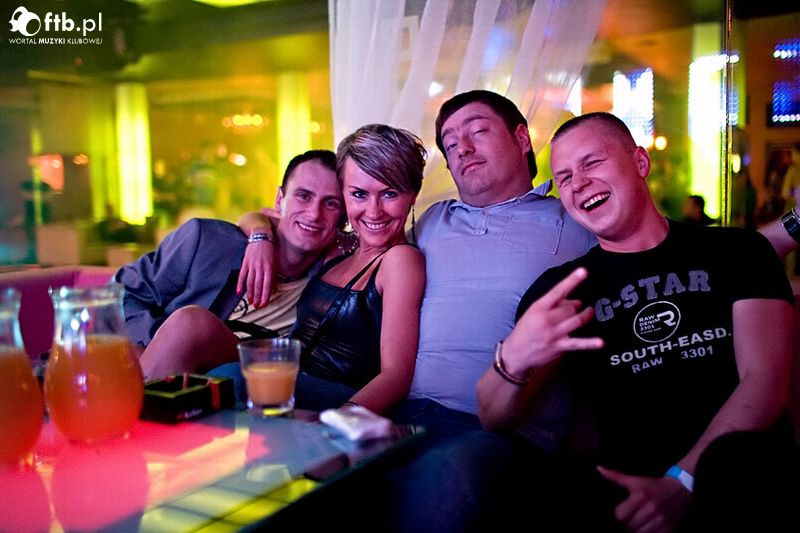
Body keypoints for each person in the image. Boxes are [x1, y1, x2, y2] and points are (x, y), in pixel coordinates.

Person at [477, 112, 799, 532]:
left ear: (640, 163)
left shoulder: (737, 251)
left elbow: (764, 380)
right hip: (629, 496)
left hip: (741, 479)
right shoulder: (562, 289)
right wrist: (513, 360)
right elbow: (494, 417)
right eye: (564, 177)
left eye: (592, 162)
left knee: (736, 461)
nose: (579, 183)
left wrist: (683, 482)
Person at [220, 124, 426, 415]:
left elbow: (396, 376)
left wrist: (337, 423)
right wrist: (260, 239)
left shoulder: (399, 261)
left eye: (389, 194)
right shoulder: (340, 247)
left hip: (336, 399)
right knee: (194, 326)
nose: (373, 211)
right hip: (292, 377)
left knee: (236, 377)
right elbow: (261, 215)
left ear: (413, 194)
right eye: (359, 194)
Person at [115, 150, 344, 380]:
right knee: (186, 324)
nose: (314, 214)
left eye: (331, 203)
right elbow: (123, 292)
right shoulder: (205, 239)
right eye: (303, 196)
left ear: (343, 216)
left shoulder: (334, 278)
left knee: (192, 323)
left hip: (251, 379)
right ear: (279, 200)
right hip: (173, 371)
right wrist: (154, 344)